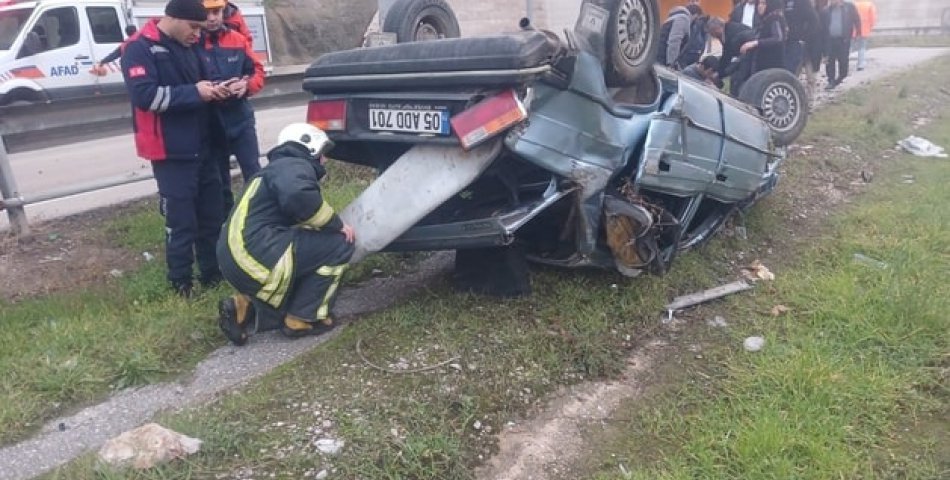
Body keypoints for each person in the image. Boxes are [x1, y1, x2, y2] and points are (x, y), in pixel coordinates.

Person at [121, 0, 233, 297]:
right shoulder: (140, 48)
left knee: (212, 216)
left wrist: (217, 90)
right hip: (171, 151)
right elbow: (145, 97)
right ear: (173, 18)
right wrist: (195, 92)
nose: (198, 33)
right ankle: (180, 283)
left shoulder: (188, 45)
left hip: (205, 145)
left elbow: (198, 87)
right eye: (193, 26)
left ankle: (212, 274)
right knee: (182, 222)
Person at [216, 123, 356, 346]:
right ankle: (303, 318)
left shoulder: (276, 168)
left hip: (237, 258)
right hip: (255, 255)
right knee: (339, 244)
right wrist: (335, 224)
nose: (325, 160)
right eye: (322, 153)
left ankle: (243, 306)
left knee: (307, 246)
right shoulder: (294, 165)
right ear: (309, 148)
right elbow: (297, 195)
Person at [201, 0, 265, 213]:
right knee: (219, 182)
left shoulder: (237, 39)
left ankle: (258, 218)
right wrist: (210, 90)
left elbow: (257, 71)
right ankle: (225, 225)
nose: (212, 18)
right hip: (210, 123)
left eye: (216, 12)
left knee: (254, 174)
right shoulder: (192, 44)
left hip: (240, 119)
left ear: (223, 11)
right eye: (206, 13)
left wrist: (245, 86)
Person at [707, 17, 757, 96]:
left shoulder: (731, 34)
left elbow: (727, 55)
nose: (713, 36)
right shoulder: (727, 31)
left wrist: (719, 74)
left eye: (712, 33)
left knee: (737, 79)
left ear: (717, 28)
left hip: (750, 56)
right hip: (745, 55)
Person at [820, 0, 861, 89]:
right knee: (830, 61)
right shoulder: (826, 11)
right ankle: (831, 80)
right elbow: (822, 28)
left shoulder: (849, 7)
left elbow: (857, 20)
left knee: (843, 62)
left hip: (843, 40)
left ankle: (840, 78)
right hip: (830, 41)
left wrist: (858, 33)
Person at [744, 0, 787, 73]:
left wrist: (756, 43)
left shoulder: (774, 18)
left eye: (763, 3)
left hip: (772, 64)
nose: (760, 6)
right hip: (764, 63)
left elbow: (777, 38)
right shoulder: (764, 19)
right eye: (759, 3)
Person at [784, 0, 819, 74]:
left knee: (791, 70)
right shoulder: (782, 2)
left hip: (795, 41)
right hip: (780, 41)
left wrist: (803, 37)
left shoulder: (802, 2)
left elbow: (814, 20)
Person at [657, 5, 693, 69]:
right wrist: (671, 63)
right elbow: (674, 41)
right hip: (663, 59)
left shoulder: (670, 19)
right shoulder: (683, 19)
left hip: (657, 56)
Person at [852, 0, 876, 71]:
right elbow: (873, 18)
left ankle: (844, 63)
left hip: (853, 29)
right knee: (862, 47)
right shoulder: (869, 4)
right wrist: (870, 26)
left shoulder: (853, 4)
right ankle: (860, 64)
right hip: (864, 29)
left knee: (849, 47)